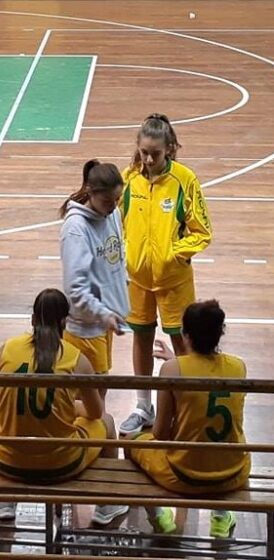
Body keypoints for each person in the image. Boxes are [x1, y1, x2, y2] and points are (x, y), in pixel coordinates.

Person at [0, 288, 127, 525]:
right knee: (108, 422)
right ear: (65, 321)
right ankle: (106, 504)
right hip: (60, 464)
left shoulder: (7, 349)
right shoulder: (76, 358)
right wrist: (69, 408)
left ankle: (5, 501)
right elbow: (95, 413)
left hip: (8, 461)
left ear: (32, 319)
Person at [118, 114, 213, 435]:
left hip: (174, 280)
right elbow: (114, 222)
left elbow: (202, 232)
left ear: (169, 149)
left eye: (155, 153)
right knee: (141, 337)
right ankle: (144, 406)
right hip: (137, 279)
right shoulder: (129, 179)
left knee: (181, 342)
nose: (148, 159)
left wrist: (174, 254)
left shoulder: (185, 180)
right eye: (143, 151)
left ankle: (186, 406)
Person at [127, 300, 248, 538]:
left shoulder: (172, 370)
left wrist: (175, 362)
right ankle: (221, 520)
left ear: (185, 335)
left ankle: (159, 518)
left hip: (185, 475)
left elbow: (161, 433)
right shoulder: (238, 366)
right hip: (233, 473)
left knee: (132, 444)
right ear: (220, 333)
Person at [60, 160, 130, 391]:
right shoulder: (76, 229)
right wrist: (103, 313)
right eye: (107, 201)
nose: (113, 206)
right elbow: (76, 289)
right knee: (88, 401)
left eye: (117, 200)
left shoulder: (113, 214)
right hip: (85, 329)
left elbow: (117, 257)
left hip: (103, 322)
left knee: (100, 392)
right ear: (90, 192)